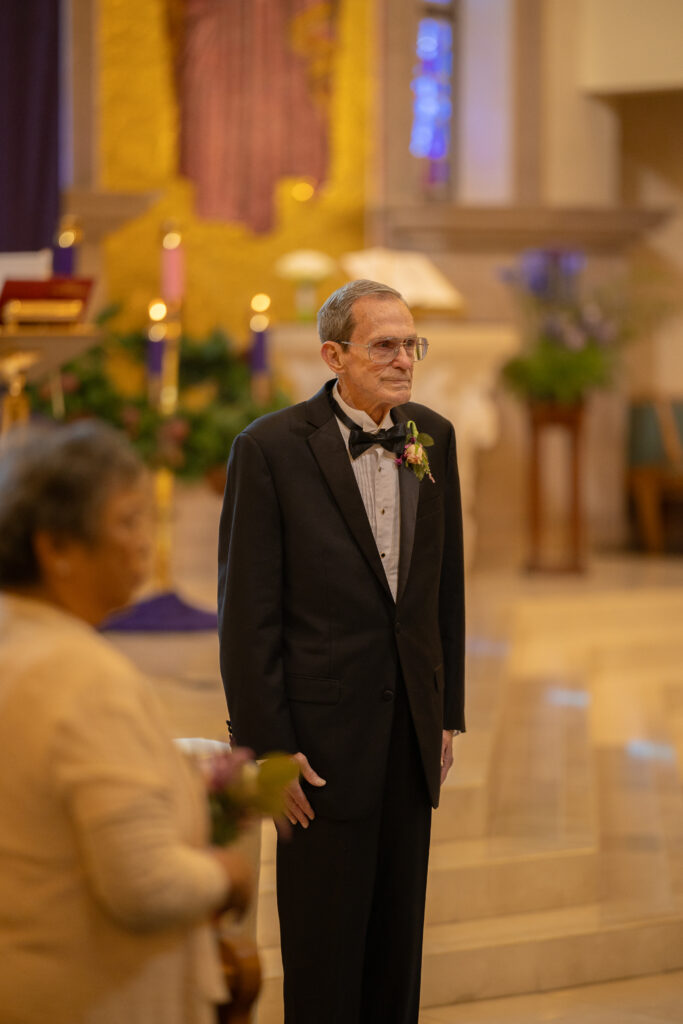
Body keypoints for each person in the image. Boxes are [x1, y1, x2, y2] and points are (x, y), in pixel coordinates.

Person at [218, 278, 465, 1024]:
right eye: (383, 345)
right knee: (325, 957)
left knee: (396, 951)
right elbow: (247, 614)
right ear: (334, 354)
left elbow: (441, 589)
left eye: (410, 344)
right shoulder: (268, 449)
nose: (402, 360)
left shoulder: (433, 436)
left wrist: (445, 713)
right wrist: (269, 747)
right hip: (318, 747)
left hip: (409, 735)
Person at [0, 421, 253, 1024]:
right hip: (95, 993)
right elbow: (144, 885)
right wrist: (226, 875)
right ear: (56, 547)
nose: (144, 542)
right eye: (127, 520)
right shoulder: (83, 678)